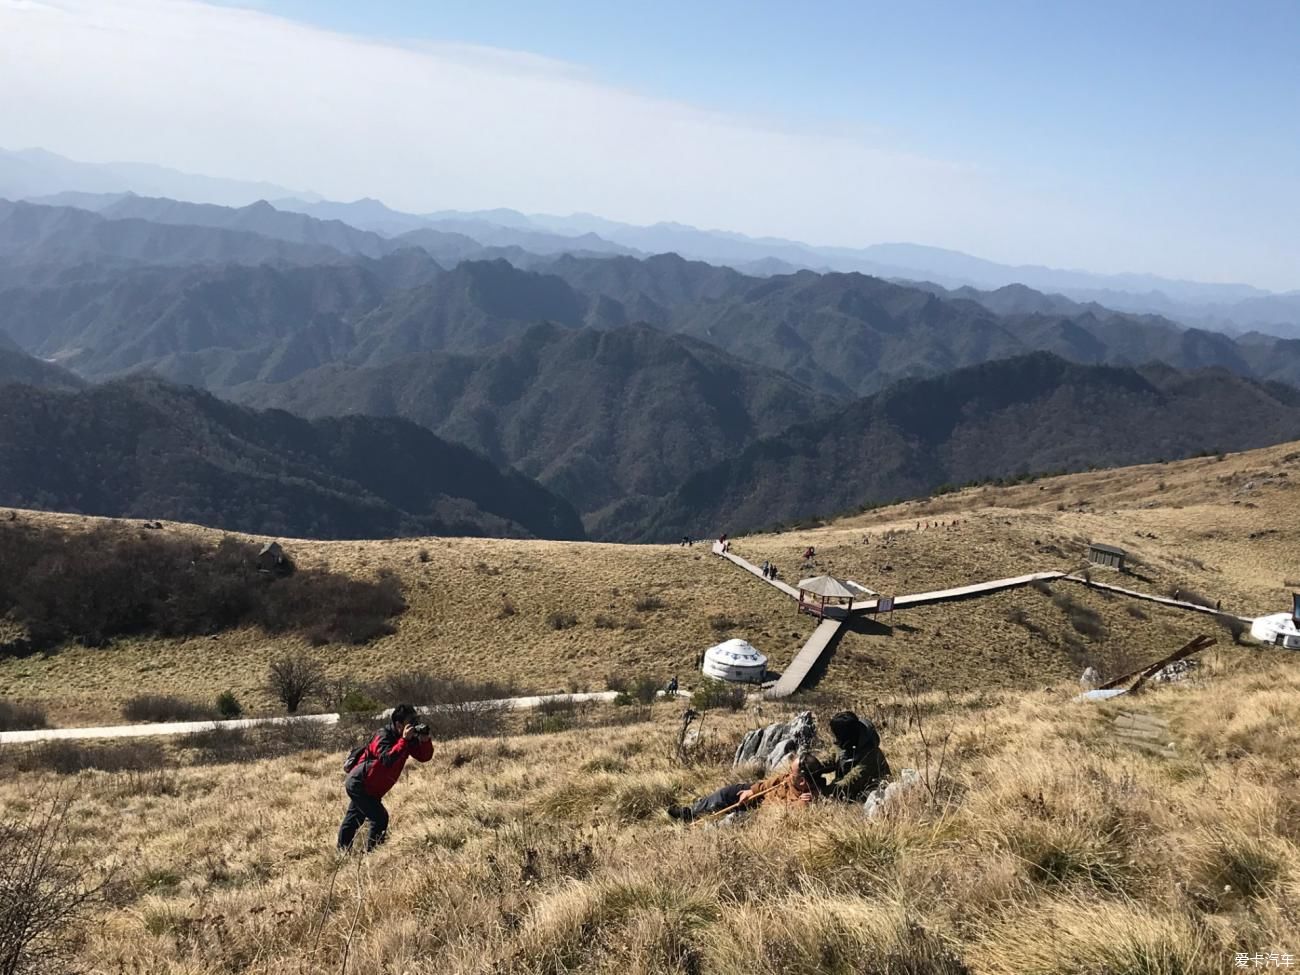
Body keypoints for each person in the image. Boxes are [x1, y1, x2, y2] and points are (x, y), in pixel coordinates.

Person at [338, 703, 434, 852]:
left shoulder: (409, 739)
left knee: (354, 819)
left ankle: (342, 852)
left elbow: (424, 757)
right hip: (359, 783)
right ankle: (372, 854)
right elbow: (387, 759)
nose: (414, 726)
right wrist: (403, 741)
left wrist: (425, 741)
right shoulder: (382, 736)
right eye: (410, 723)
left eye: (415, 721)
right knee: (380, 818)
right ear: (398, 724)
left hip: (373, 787)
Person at [667, 752, 817, 823]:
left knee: (733, 820)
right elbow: (768, 784)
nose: (788, 774)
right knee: (728, 792)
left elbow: (782, 813)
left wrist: (800, 804)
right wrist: (751, 791)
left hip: (761, 813)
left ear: (803, 781)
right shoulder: (790, 779)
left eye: (792, 772)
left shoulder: (806, 799)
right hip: (758, 797)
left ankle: (704, 830)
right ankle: (690, 813)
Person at [819, 710, 890, 801]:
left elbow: (851, 782)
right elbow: (832, 758)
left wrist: (821, 792)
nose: (837, 739)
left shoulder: (871, 752)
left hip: (872, 793)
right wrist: (813, 766)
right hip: (848, 791)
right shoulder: (846, 740)